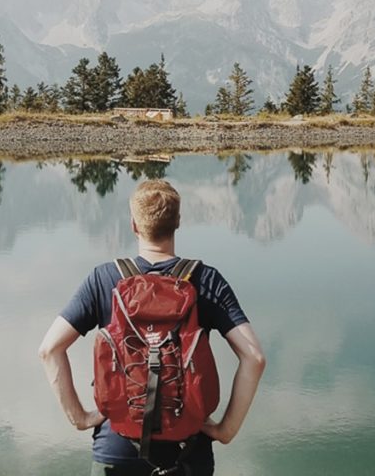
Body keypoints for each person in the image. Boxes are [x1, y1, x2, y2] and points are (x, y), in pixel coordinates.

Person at [39, 179, 266, 475]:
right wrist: (226, 429)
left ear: (134, 225)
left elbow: (49, 350)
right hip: (188, 453)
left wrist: (79, 417)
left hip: (116, 450)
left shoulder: (104, 279)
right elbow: (254, 357)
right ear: (178, 222)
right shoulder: (206, 281)